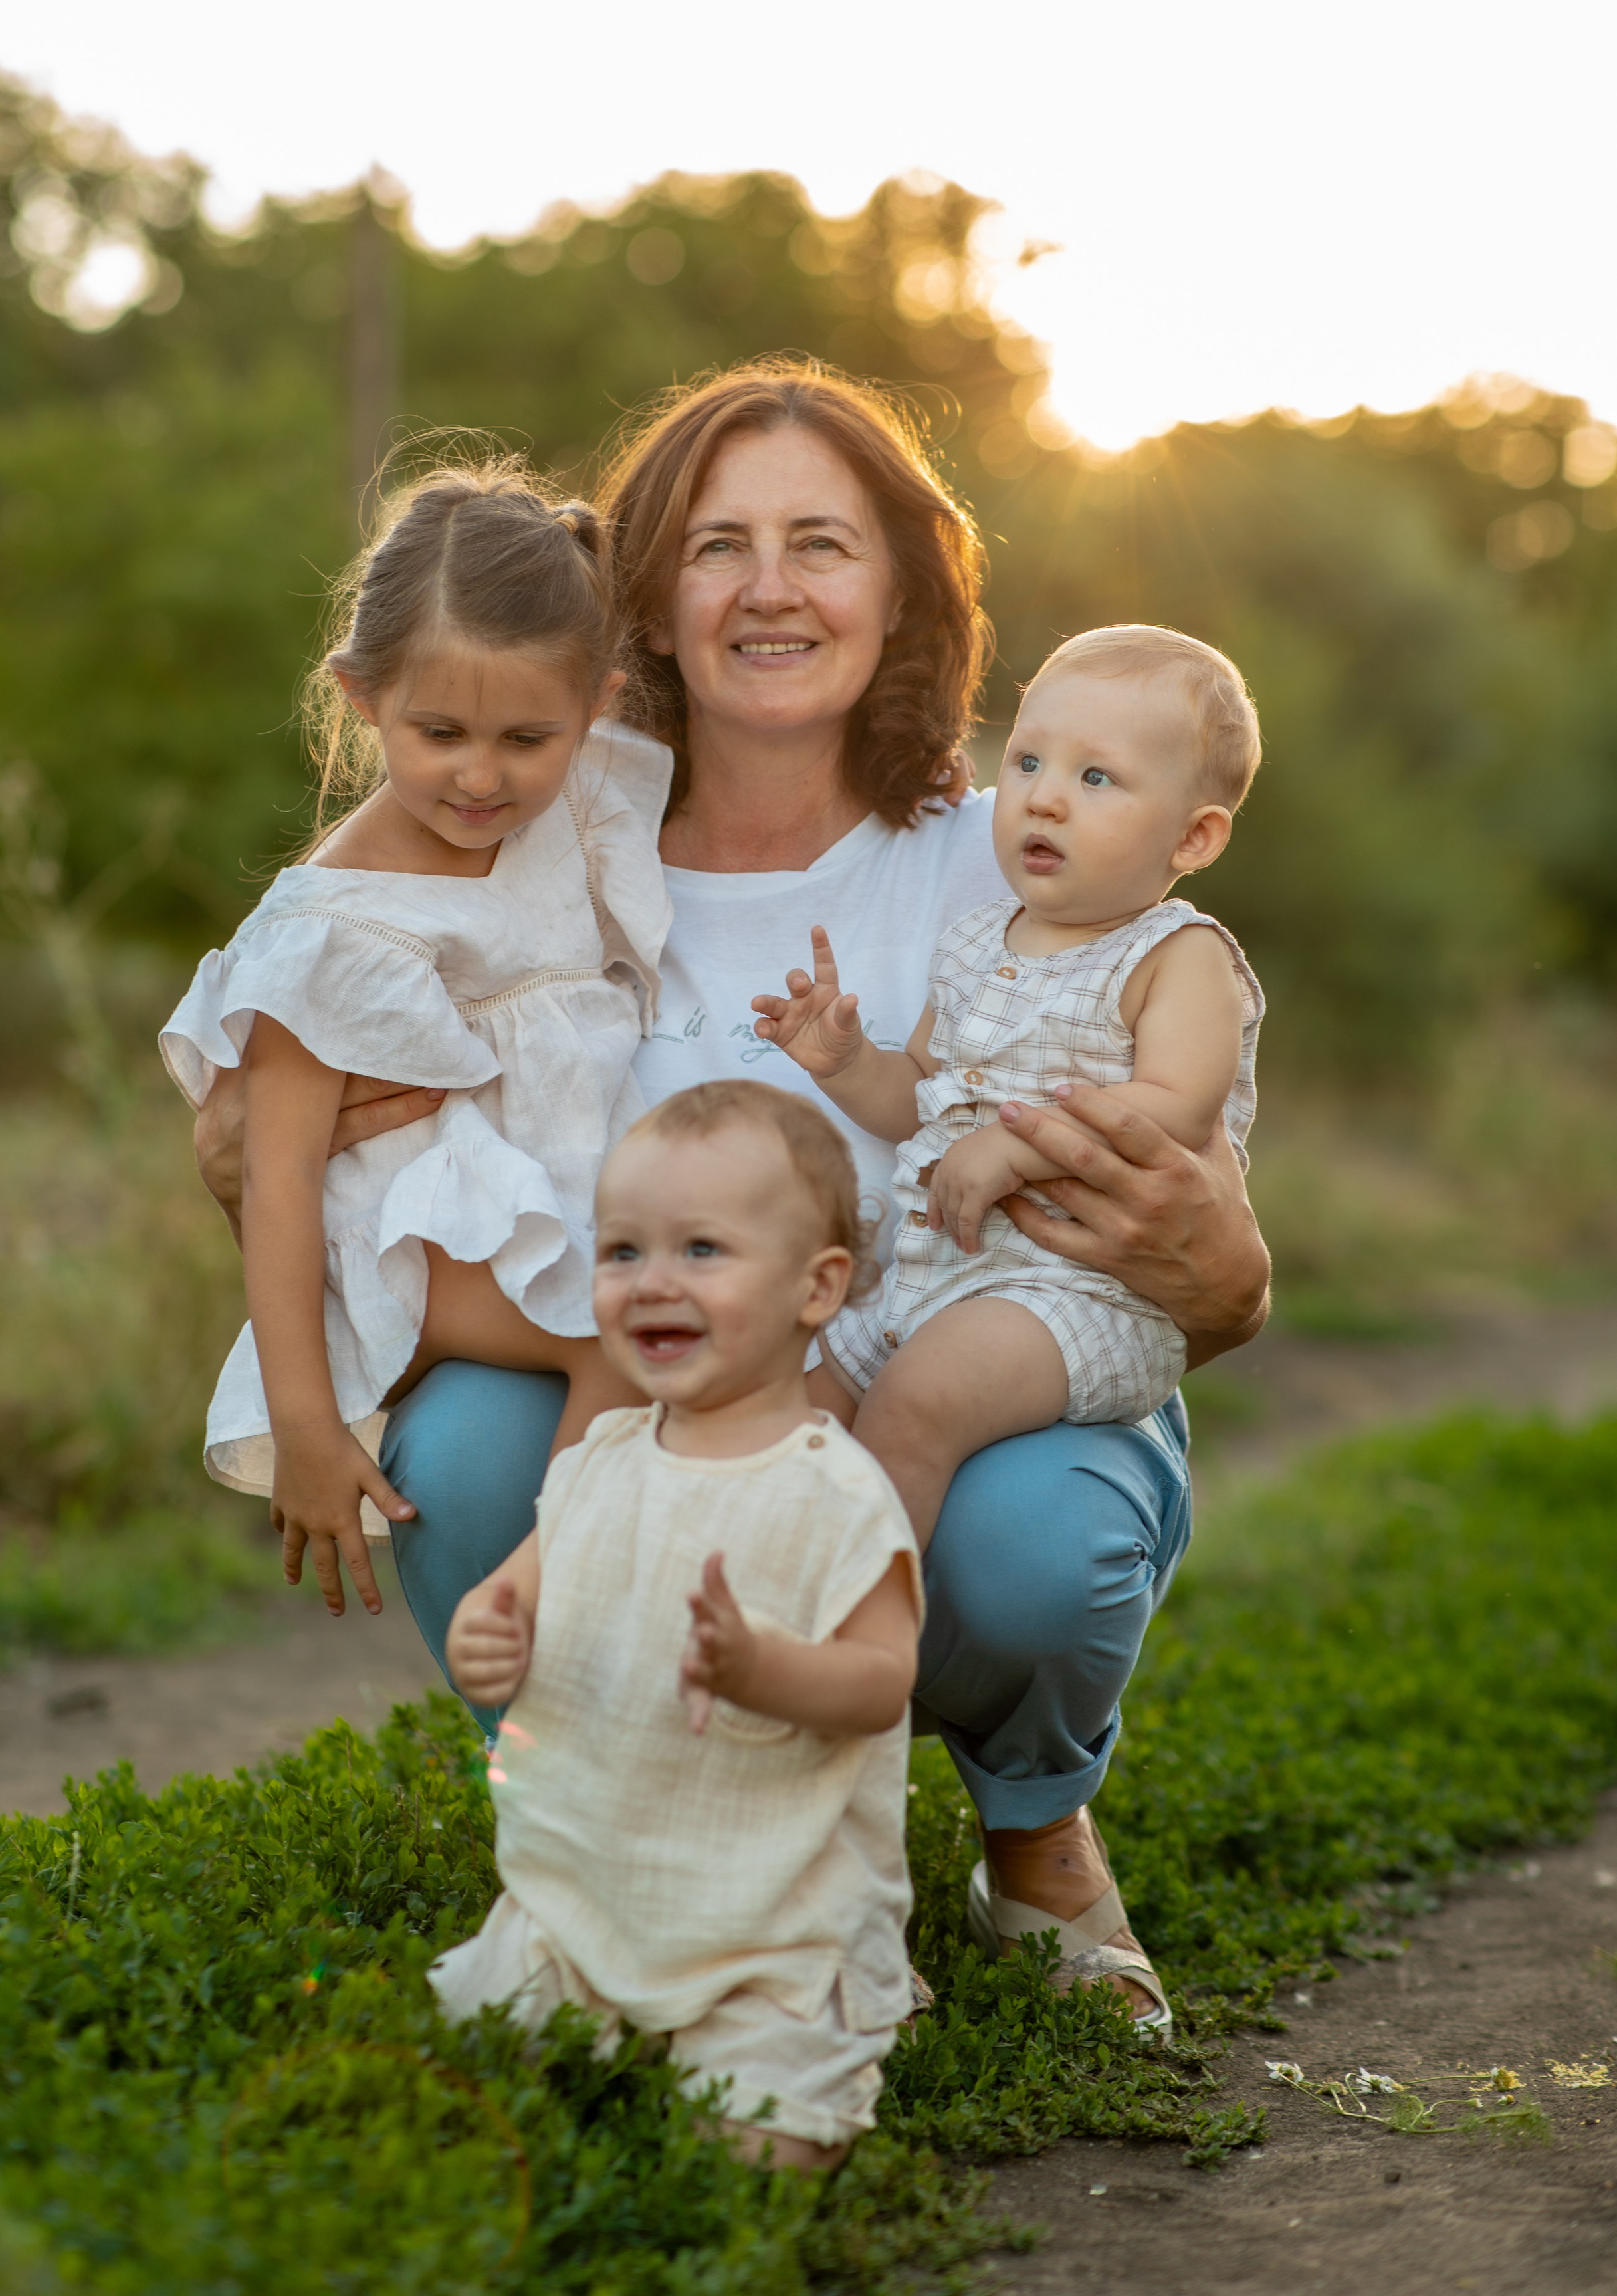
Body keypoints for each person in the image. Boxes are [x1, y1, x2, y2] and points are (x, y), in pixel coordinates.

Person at [194, 363, 1271, 2029]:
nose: (770, 588)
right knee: (476, 1444)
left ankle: (1034, 1830)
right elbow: (341, 950)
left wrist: (1228, 1269)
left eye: (821, 543)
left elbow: (1205, 1214)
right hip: (658, 1372)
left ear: (900, 584)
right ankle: (589, 1817)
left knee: (1033, 1545)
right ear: (642, 597)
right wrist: (256, 1105)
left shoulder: (1019, 844)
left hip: (942, 1353)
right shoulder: (550, 814)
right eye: (718, 546)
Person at [163, 465, 671, 1616]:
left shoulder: (576, 808)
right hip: (410, 1241)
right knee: (628, 1337)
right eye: (438, 732)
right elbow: (280, 1173)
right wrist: (304, 1425)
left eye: (526, 738)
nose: (481, 776)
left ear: (595, 710)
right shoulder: (335, 928)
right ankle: (556, 1603)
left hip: (544, 1205)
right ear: (359, 697)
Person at [429, 1080, 922, 2171]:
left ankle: (782, 2046)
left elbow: (883, 1681)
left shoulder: (835, 1492)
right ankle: (589, 1993)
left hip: (774, 1917)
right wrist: (486, 1633)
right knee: (469, 2072)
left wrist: (763, 1668)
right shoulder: (603, 1457)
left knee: (753, 2154)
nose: (653, 1282)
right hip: (584, 1889)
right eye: (622, 1252)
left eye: (703, 1251)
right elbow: (515, 1590)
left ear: (817, 1287)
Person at [756, 624, 1265, 1566]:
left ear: (1194, 835)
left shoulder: (1177, 956)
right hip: (930, 1273)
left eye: (1096, 779)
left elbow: (1181, 1107)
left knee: (916, 1405)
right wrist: (845, 1062)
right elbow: (922, 1099)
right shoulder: (978, 938)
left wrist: (1022, 1145)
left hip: (1079, 1294)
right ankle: (754, 1628)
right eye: (1029, 760)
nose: (1045, 798)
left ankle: (854, 1644)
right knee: (801, 1403)